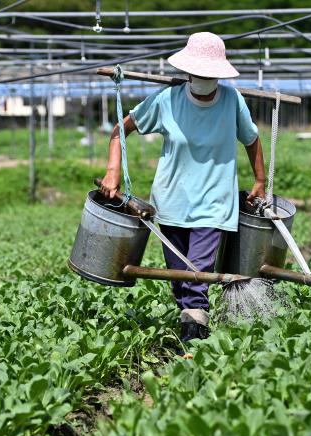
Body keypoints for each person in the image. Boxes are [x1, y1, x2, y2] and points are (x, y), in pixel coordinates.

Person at [100, 32, 267, 344]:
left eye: (209, 73)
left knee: (197, 273)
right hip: (171, 203)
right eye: (198, 72)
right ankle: (193, 322)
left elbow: (251, 138)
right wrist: (112, 172)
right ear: (187, 72)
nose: (203, 78)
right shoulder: (167, 100)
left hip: (215, 202)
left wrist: (260, 180)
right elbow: (120, 130)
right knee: (179, 278)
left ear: (218, 74)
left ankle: (194, 337)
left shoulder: (232, 101)